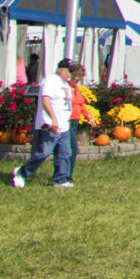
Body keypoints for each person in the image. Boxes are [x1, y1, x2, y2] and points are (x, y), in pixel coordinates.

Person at [12, 59, 75, 189]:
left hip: (63, 126)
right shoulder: (50, 81)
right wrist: (53, 119)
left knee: (64, 153)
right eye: (69, 71)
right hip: (48, 124)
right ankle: (22, 173)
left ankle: (60, 179)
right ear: (61, 69)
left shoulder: (66, 85)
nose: (70, 75)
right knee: (44, 152)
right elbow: (45, 100)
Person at [52, 60, 84, 190]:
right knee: (69, 148)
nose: (76, 81)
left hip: (73, 120)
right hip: (66, 121)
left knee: (68, 149)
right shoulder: (63, 87)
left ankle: (64, 175)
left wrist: (87, 115)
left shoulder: (74, 88)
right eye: (75, 78)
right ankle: (63, 175)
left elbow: (80, 104)